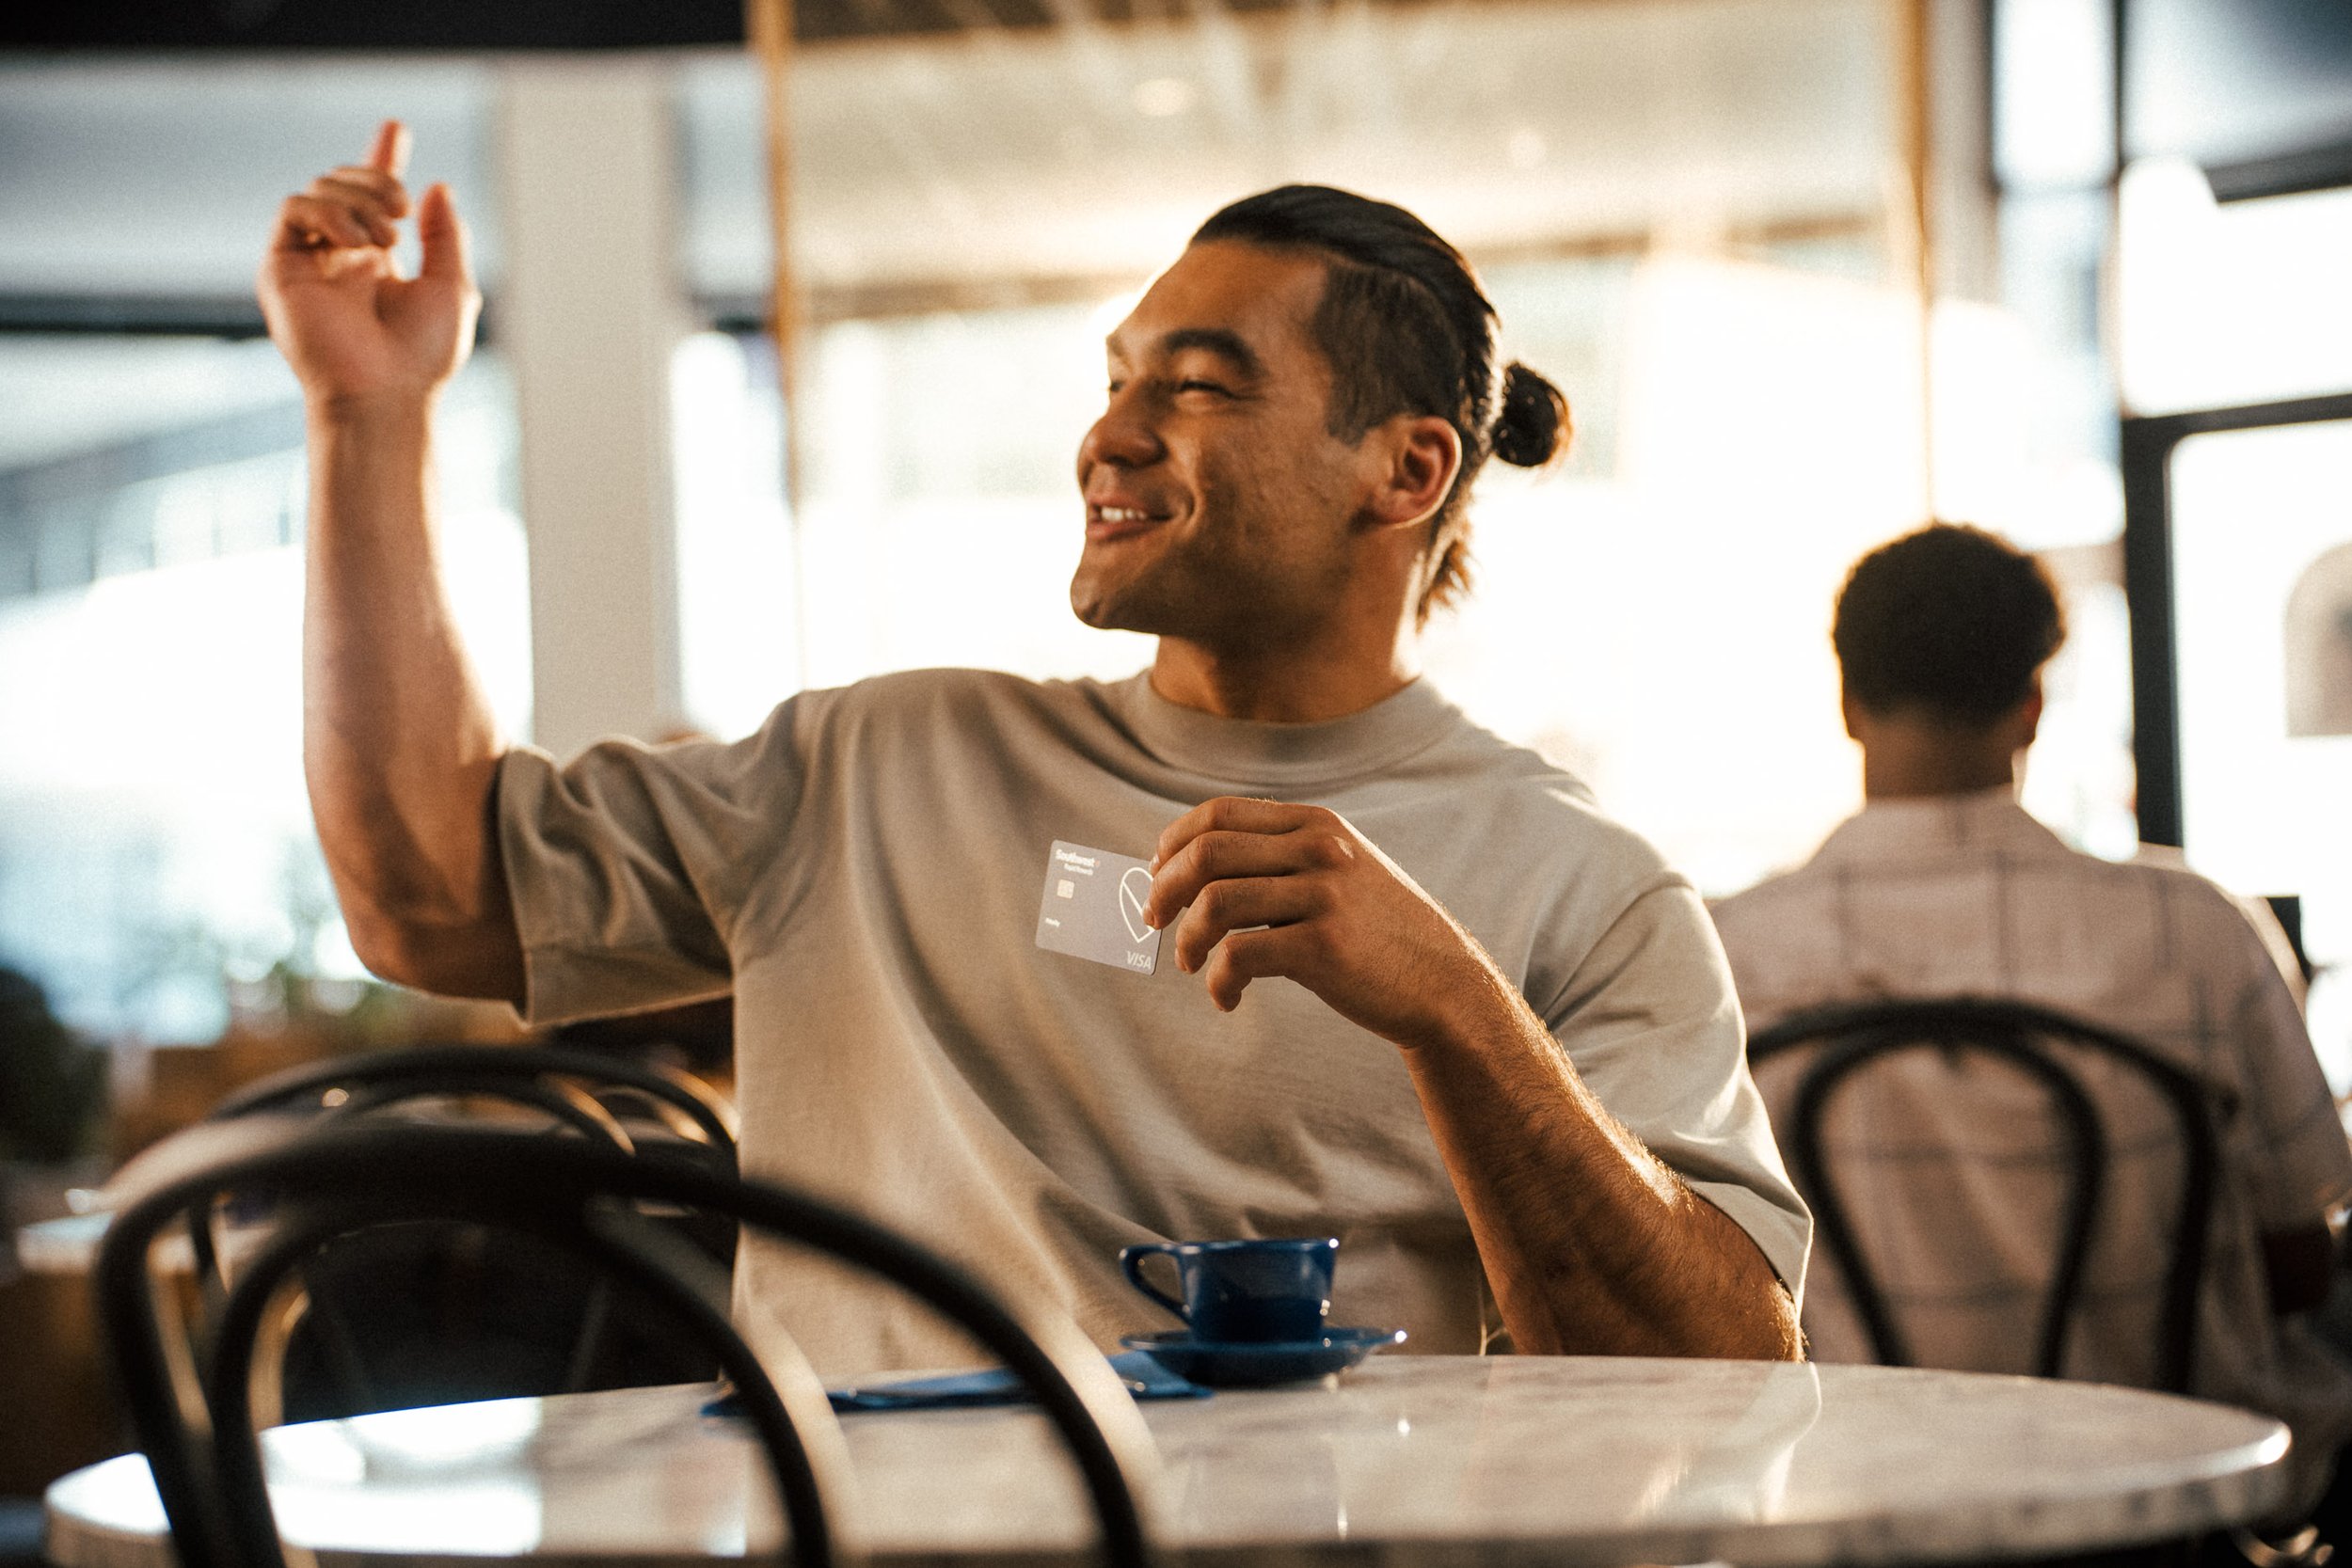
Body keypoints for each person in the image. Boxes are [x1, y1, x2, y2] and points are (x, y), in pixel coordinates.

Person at [260, 120, 1807, 1377]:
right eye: (1118, 378)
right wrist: (366, 414)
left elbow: (1721, 1378)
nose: (1110, 433)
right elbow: (425, 896)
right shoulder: (877, 765)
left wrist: (1456, 1010)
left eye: (1195, 386)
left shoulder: (1582, 884)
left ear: (1404, 472)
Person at [1711, 522, 2352, 1513]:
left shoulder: (1727, 953)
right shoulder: (2194, 929)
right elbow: (2299, 1257)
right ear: (2033, 707)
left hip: (1858, 1506)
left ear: (1847, 705)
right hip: (2163, 1505)